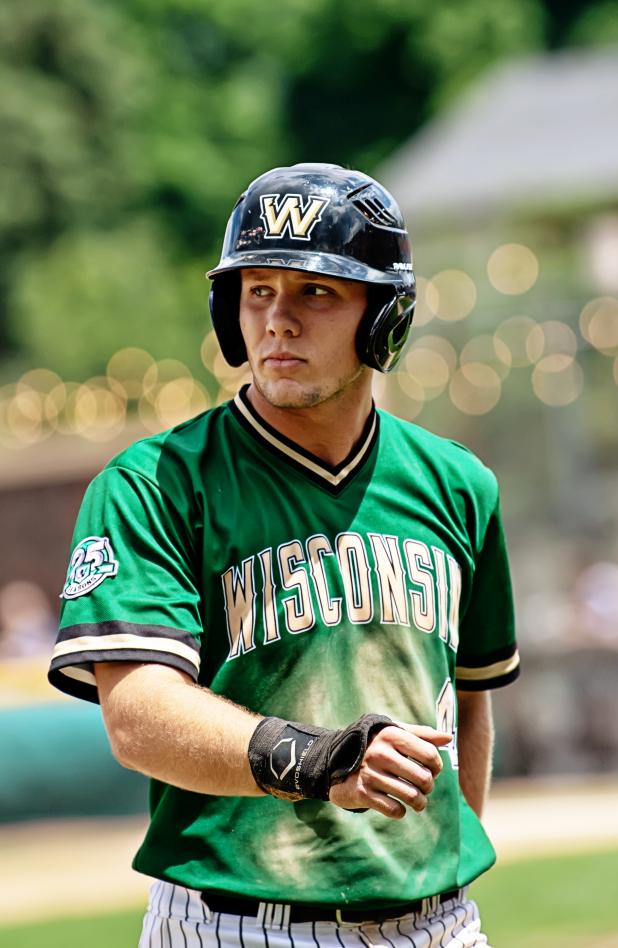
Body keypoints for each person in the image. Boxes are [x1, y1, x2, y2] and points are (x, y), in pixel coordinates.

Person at [48, 163, 519, 947]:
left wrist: (444, 869)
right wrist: (320, 761)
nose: (278, 320)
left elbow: (470, 699)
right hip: (241, 928)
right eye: (257, 290)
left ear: (384, 317)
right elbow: (136, 717)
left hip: (441, 926)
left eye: (317, 293)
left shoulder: (458, 485)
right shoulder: (158, 483)